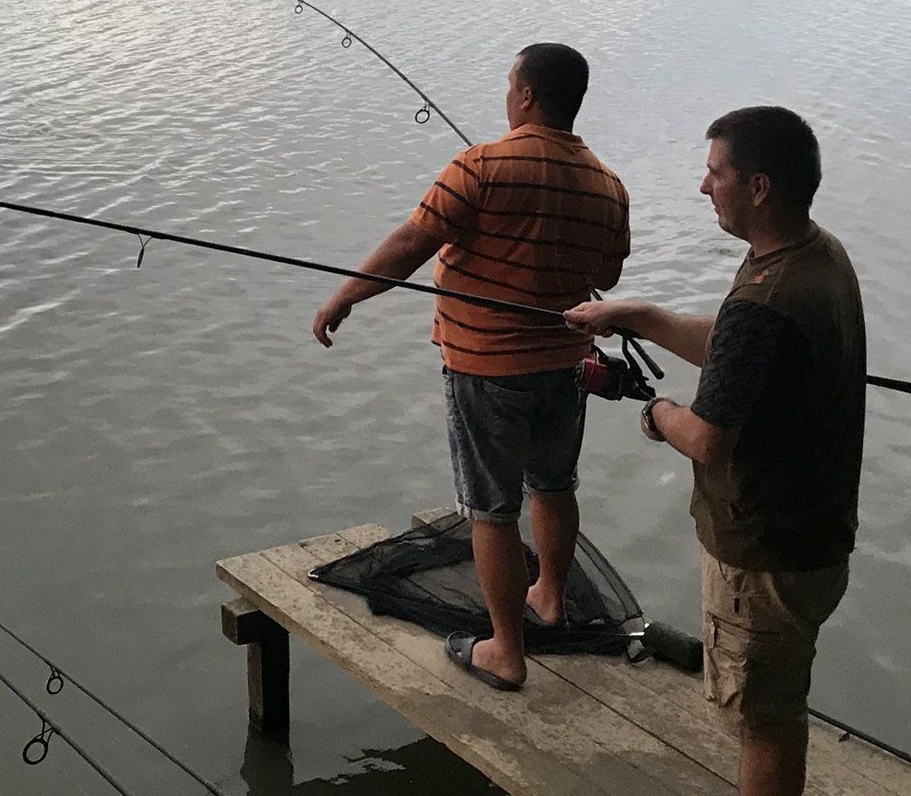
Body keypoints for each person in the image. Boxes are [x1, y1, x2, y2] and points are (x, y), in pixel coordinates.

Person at [312, 43, 630, 691]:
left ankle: (505, 651)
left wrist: (346, 295)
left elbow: (410, 243)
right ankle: (549, 595)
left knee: (490, 509)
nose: (506, 95)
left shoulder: (480, 166)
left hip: (486, 368)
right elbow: (607, 275)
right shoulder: (607, 184)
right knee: (555, 484)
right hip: (567, 368)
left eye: (511, 85)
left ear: (528, 97)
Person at [567, 107, 865, 796]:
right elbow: (736, 352)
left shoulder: (767, 296)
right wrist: (634, 315)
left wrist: (658, 413)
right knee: (777, 707)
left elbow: (706, 437)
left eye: (715, 173)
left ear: (757, 187)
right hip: (816, 537)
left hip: (762, 556)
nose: (704, 187)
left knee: (761, 718)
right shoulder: (815, 256)